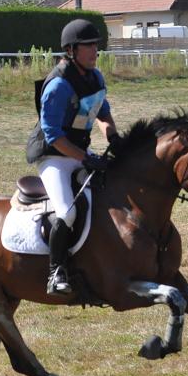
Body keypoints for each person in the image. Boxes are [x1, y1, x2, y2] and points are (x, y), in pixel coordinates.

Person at [26, 19, 118, 295]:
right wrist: (86, 158)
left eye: (96, 46)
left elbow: (102, 112)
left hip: (78, 152)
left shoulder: (95, 77)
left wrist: (113, 136)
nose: (94, 51)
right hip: (54, 156)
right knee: (66, 211)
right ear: (71, 51)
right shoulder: (58, 86)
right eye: (88, 46)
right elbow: (53, 135)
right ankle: (56, 272)